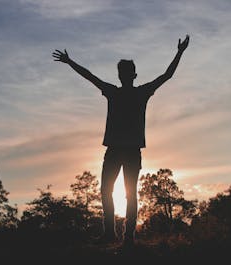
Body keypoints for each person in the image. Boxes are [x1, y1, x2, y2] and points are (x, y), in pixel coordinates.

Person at [52, 35, 189, 247]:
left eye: (126, 73)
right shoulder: (115, 92)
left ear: (132, 75)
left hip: (130, 150)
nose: (124, 76)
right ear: (121, 75)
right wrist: (70, 62)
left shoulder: (138, 92)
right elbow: (89, 76)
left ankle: (127, 237)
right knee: (107, 190)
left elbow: (167, 75)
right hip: (115, 149)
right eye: (121, 73)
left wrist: (180, 52)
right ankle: (111, 234)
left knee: (129, 193)